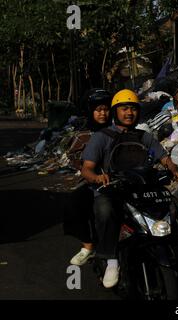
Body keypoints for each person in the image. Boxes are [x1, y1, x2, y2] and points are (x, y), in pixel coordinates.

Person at [81, 89, 178, 288]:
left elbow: (163, 157)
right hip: (112, 190)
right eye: (124, 108)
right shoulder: (101, 137)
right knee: (105, 209)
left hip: (140, 187)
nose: (129, 113)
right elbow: (86, 169)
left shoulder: (144, 137)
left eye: (133, 109)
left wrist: (174, 170)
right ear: (115, 112)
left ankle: (168, 245)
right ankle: (110, 259)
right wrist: (97, 178)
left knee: (171, 204)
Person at [64, 88, 113, 266]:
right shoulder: (85, 134)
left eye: (106, 109)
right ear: (91, 111)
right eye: (98, 109)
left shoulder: (119, 130)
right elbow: (77, 160)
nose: (102, 113)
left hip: (121, 179)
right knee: (74, 203)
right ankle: (88, 245)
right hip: (95, 182)